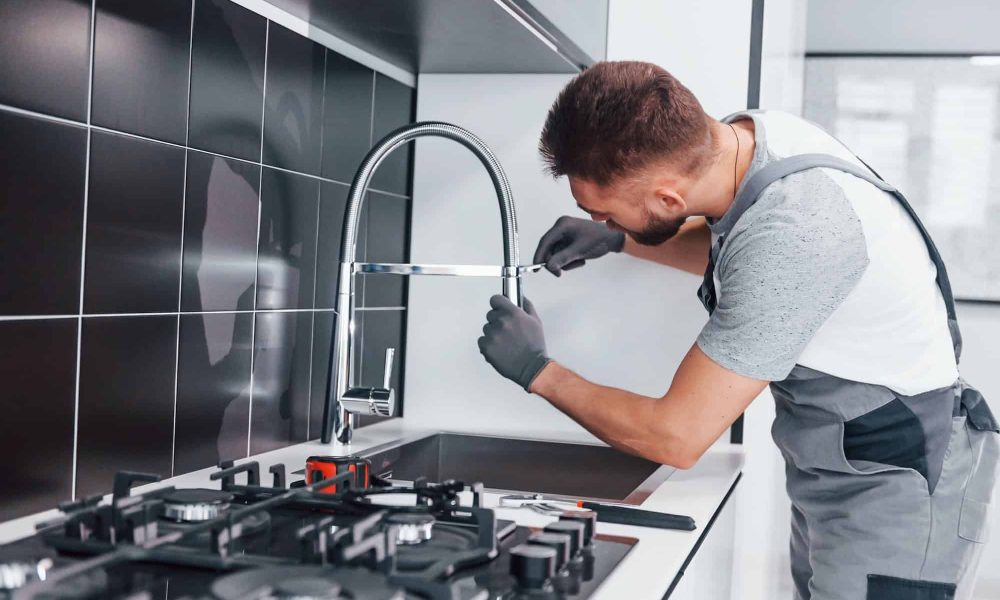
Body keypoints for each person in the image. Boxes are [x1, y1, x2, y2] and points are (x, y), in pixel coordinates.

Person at [476, 61, 999, 600]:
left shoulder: (799, 228)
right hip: (842, 467)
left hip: (899, 489)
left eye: (606, 213)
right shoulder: (745, 140)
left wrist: (537, 371)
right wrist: (622, 240)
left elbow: (675, 436)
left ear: (669, 201)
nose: (604, 221)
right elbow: (749, 255)